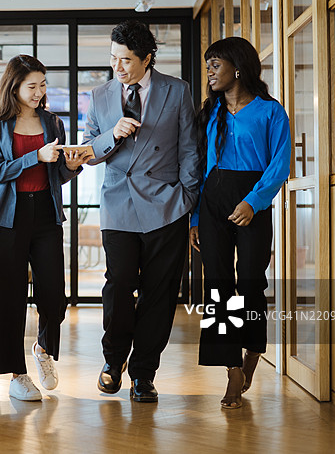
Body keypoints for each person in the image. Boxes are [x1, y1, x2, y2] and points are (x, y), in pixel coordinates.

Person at [83, 20, 200, 402]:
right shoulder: (100, 96)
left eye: (126, 60)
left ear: (147, 58)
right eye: (113, 57)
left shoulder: (177, 91)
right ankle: (113, 361)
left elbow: (189, 150)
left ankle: (144, 373)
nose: (118, 67)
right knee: (118, 286)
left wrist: (186, 196)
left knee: (159, 293)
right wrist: (110, 135)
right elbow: (87, 152)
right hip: (118, 204)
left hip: (166, 205)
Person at [189, 37, 290, 409]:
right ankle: (231, 366)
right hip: (212, 199)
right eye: (208, 65)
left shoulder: (269, 111)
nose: (210, 72)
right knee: (217, 284)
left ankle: (252, 349)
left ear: (238, 67)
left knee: (250, 280)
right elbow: (201, 169)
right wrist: (197, 216)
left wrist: (253, 201)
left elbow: (279, 165)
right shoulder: (209, 112)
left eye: (216, 64)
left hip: (252, 197)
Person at [0, 55, 90, 401]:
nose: (40, 92)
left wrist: (72, 168)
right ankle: (16, 374)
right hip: (10, 218)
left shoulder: (52, 123)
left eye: (43, 85)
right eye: (33, 86)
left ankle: (43, 349)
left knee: (54, 296)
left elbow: (56, 174)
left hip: (46, 213)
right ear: (14, 86)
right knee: (9, 298)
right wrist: (35, 157)